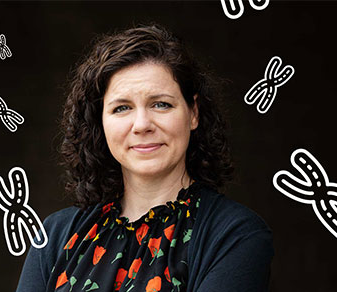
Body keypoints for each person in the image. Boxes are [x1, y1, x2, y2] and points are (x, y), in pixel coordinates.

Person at [16, 24, 274, 292]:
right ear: (100, 122)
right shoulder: (56, 234)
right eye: (122, 108)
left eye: (161, 104)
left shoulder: (235, 235)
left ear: (193, 113)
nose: (141, 124)